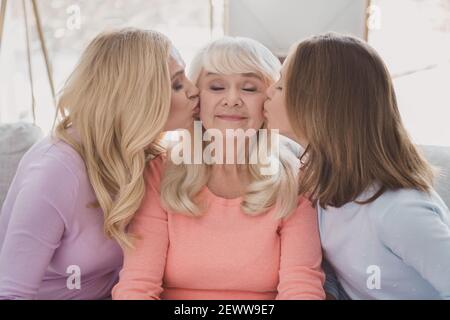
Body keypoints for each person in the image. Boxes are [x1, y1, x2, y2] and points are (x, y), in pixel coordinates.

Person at [112, 36, 325, 300]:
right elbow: (137, 285)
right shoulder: (158, 172)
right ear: (196, 99)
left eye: (249, 88)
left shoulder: (295, 179)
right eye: (216, 87)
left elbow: (301, 287)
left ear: (268, 101)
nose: (232, 99)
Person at [0, 28, 199, 299]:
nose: (193, 90)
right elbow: (11, 292)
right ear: (136, 99)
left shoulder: (144, 156)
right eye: (176, 84)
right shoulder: (55, 171)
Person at [264, 32, 450, 299]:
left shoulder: (400, 211)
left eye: (280, 86)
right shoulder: (317, 183)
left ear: (317, 106)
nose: (269, 92)